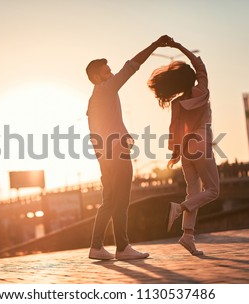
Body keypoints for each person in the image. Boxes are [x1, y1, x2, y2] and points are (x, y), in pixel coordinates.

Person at [86, 35, 173, 260]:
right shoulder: (105, 89)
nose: (112, 74)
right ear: (97, 77)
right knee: (121, 201)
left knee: (110, 201)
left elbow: (94, 132)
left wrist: (102, 154)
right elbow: (131, 66)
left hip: (107, 156)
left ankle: (97, 247)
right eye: (107, 72)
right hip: (116, 155)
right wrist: (154, 45)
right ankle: (122, 248)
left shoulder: (95, 98)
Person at [147, 39, 220, 256]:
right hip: (200, 144)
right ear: (192, 79)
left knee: (194, 191)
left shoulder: (176, 103)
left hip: (186, 148)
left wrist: (175, 152)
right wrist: (179, 47)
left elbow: (174, 128)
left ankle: (188, 236)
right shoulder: (202, 91)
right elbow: (199, 65)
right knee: (213, 191)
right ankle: (179, 208)